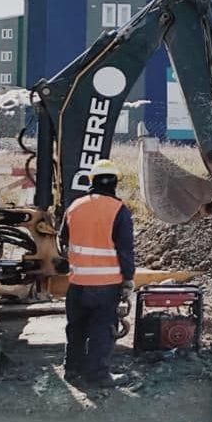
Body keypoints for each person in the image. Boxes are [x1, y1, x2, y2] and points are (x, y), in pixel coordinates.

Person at [60, 159, 135, 388]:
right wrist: (128, 279)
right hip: (105, 286)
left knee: (76, 328)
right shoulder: (119, 210)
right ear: (115, 182)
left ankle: (72, 370)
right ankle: (98, 376)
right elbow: (125, 250)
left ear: (91, 180)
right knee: (102, 330)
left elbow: (63, 240)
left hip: (77, 283)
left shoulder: (75, 206)